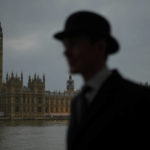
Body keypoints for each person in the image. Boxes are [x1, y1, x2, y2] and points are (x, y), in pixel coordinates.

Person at [54, 10, 150, 149]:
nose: (66, 52)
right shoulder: (77, 103)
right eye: (65, 46)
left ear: (100, 47)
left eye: (73, 45)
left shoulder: (139, 99)